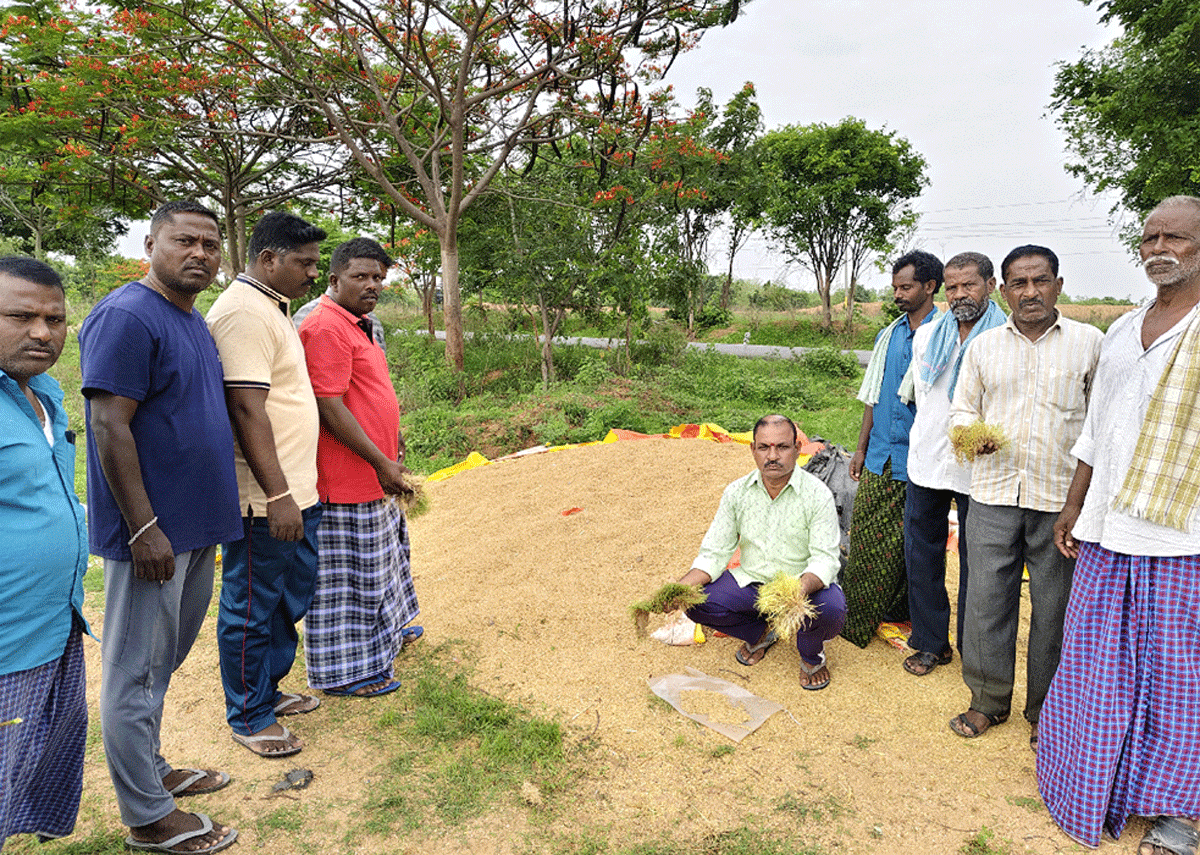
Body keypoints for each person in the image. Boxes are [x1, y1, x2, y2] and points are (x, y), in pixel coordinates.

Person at [1038, 196, 1200, 854]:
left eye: (1177, 238)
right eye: (1150, 236)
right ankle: (1097, 782)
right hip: (1109, 526)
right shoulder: (1123, 328)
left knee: (1177, 672)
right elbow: (1097, 431)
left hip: (1181, 535)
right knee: (1098, 662)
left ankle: (1178, 815)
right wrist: (1075, 503)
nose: (1160, 247)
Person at [79, 201, 241, 853]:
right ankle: (147, 816)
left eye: (209, 243)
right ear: (150, 243)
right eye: (184, 240)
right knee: (134, 673)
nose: (199, 252)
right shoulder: (126, 315)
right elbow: (108, 424)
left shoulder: (191, 318)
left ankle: (152, 772)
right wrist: (143, 526)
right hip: (153, 534)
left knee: (158, 666)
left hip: (195, 528)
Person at [946, 244, 1102, 746]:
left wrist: (1081, 503)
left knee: (1053, 609)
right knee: (987, 604)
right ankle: (987, 701)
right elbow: (962, 411)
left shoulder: (1089, 343)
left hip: (1060, 500)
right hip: (992, 494)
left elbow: (1100, 426)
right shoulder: (985, 347)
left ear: (1059, 284)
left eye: (1040, 281)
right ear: (1004, 289)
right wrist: (972, 435)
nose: (1029, 292)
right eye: (1019, 283)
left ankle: (1045, 712)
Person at [207, 211, 327, 758]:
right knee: (251, 604)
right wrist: (277, 496)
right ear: (268, 259)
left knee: (284, 598)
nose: (312, 273)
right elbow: (245, 409)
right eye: (304, 263)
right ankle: (249, 716)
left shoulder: (270, 308)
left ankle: (268, 692)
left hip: (296, 491)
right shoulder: (243, 313)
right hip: (265, 499)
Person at [297, 238, 422, 697]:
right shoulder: (325, 327)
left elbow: (370, 390)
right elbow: (328, 404)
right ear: (334, 279)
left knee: (384, 563)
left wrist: (394, 441)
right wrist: (378, 460)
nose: (372, 286)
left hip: (376, 470)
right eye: (361, 277)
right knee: (349, 581)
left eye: (379, 278)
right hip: (346, 478)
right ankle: (345, 673)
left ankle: (389, 635)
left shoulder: (362, 323)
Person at [0, 257, 89, 848]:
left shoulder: (43, 396)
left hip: (55, 624)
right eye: (21, 316)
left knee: (26, 766)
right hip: (7, 639)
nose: (42, 332)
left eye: (54, 319)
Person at [680, 414, 844, 689]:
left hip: (801, 587)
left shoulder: (817, 495)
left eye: (782, 447)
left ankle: (811, 654)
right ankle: (759, 633)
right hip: (753, 583)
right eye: (764, 447)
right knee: (694, 601)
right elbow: (714, 553)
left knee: (832, 608)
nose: (773, 456)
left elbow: (825, 559)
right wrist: (678, 588)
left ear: (797, 449)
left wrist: (794, 592)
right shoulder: (737, 492)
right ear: (753, 450)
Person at [900, 252, 1006, 676]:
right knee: (922, 554)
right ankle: (930, 643)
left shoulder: (1004, 337)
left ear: (990, 286)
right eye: (953, 286)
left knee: (976, 560)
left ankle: (971, 646)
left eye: (970, 285)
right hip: (927, 460)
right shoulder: (929, 336)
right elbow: (925, 400)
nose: (960, 294)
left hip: (979, 469)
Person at [840, 250, 941, 648]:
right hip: (881, 455)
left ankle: (899, 612)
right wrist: (861, 448)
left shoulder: (946, 332)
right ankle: (854, 619)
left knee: (910, 547)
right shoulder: (890, 335)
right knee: (865, 538)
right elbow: (873, 397)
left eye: (906, 286)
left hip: (921, 461)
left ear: (930, 287)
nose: (898, 294)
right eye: (895, 287)